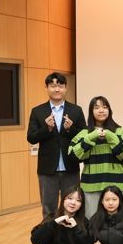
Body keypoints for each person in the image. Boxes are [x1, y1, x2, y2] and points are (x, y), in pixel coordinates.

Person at [27, 72, 86, 219]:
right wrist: (46, 128)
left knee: (73, 207)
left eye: (60, 86)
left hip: (70, 167)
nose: (57, 89)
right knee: (49, 209)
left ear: (65, 88)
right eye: (53, 86)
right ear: (46, 88)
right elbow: (31, 138)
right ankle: (50, 234)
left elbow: (84, 136)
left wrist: (70, 129)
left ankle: (72, 233)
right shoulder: (38, 111)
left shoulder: (76, 110)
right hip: (47, 169)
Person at [69, 96, 123, 218]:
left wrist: (111, 136)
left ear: (109, 110)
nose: (101, 110)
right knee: (91, 221)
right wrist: (90, 137)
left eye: (105, 107)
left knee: (118, 221)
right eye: (97, 107)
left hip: (116, 186)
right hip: (91, 186)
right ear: (91, 111)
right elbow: (73, 155)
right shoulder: (85, 133)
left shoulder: (118, 131)